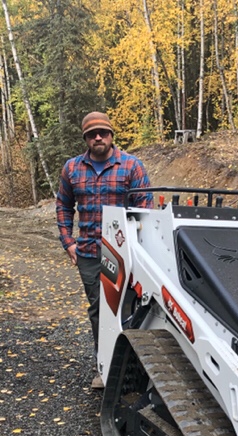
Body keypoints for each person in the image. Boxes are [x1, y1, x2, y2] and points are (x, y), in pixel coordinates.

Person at [56, 111, 153, 390]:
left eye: (103, 132)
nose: (98, 137)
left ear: (111, 135)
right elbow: (63, 205)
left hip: (123, 252)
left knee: (131, 307)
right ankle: (105, 366)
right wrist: (68, 242)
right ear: (85, 138)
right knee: (100, 310)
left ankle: (137, 368)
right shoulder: (72, 168)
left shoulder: (131, 166)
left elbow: (144, 209)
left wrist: (139, 248)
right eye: (92, 134)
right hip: (88, 252)